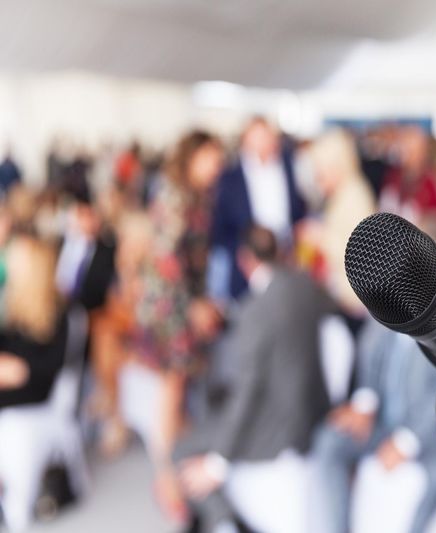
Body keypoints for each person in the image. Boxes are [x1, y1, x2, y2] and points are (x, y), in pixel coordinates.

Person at [174, 225, 335, 533]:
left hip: (275, 431)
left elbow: (247, 395)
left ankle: (223, 523)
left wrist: (217, 464)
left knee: (181, 449)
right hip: (311, 414)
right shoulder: (307, 286)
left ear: (244, 260)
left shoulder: (254, 311)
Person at [130, 129, 224, 520]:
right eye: (210, 159)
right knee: (170, 390)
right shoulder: (175, 195)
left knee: (179, 389)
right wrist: (194, 306)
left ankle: (176, 466)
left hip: (180, 303)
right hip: (169, 307)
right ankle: (167, 478)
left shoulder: (196, 195)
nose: (216, 167)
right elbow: (167, 261)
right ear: (193, 156)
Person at [311, 318, 436, 533]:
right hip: (382, 425)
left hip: (426, 437)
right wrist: (364, 404)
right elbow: (368, 356)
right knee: (331, 440)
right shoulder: (383, 316)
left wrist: (406, 443)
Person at [0, 236, 69, 531]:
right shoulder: (13, 310)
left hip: (32, 396)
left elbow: (42, 370)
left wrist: (17, 369)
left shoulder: (57, 313)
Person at [209, 117, 306, 302]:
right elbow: (222, 226)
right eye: (257, 137)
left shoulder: (287, 165)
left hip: (284, 255)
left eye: (267, 136)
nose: (264, 143)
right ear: (245, 140)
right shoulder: (230, 176)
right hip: (247, 263)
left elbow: (297, 207)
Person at [298, 129, 375, 314]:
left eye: (321, 173)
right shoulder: (342, 194)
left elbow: (361, 254)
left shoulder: (355, 197)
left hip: (354, 303)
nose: (318, 180)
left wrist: (321, 237)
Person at [379, 126, 436, 224]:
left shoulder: (431, 182)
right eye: (405, 148)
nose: (407, 154)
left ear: (423, 152)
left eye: (412, 150)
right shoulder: (393, 176)